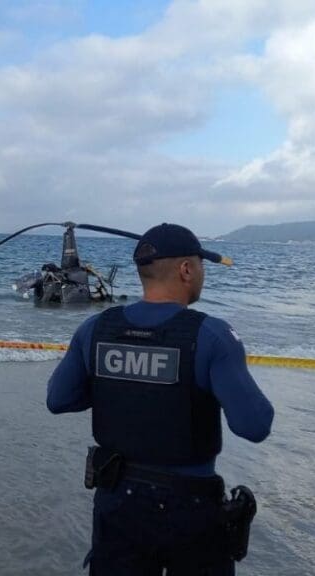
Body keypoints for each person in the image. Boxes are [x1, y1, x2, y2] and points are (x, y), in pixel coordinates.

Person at [47, 223, 274, 575]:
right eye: (201, 266)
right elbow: (255, 425)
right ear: (186, 270)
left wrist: (123, 387)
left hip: (117, 504)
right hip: (191, 508)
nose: (202, 275)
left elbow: (59, 399)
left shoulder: (95, 329)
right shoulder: (212, 335)